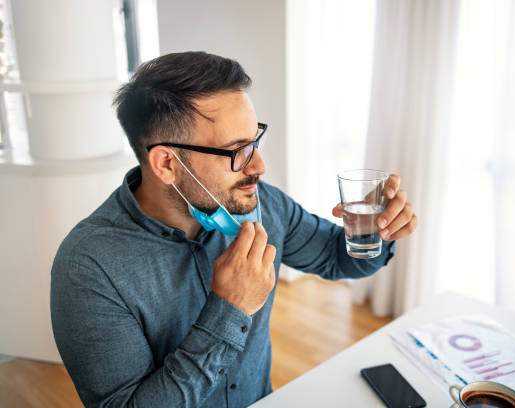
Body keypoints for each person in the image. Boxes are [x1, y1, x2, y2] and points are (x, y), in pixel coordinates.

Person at [50, 51, 418, 407]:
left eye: (254, 140)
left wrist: (374, 230)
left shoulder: (263, 205)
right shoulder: (87, 269)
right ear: (166, 163)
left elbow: (340, 260)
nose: (259, 165)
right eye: (236, 151)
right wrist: (230, 309)